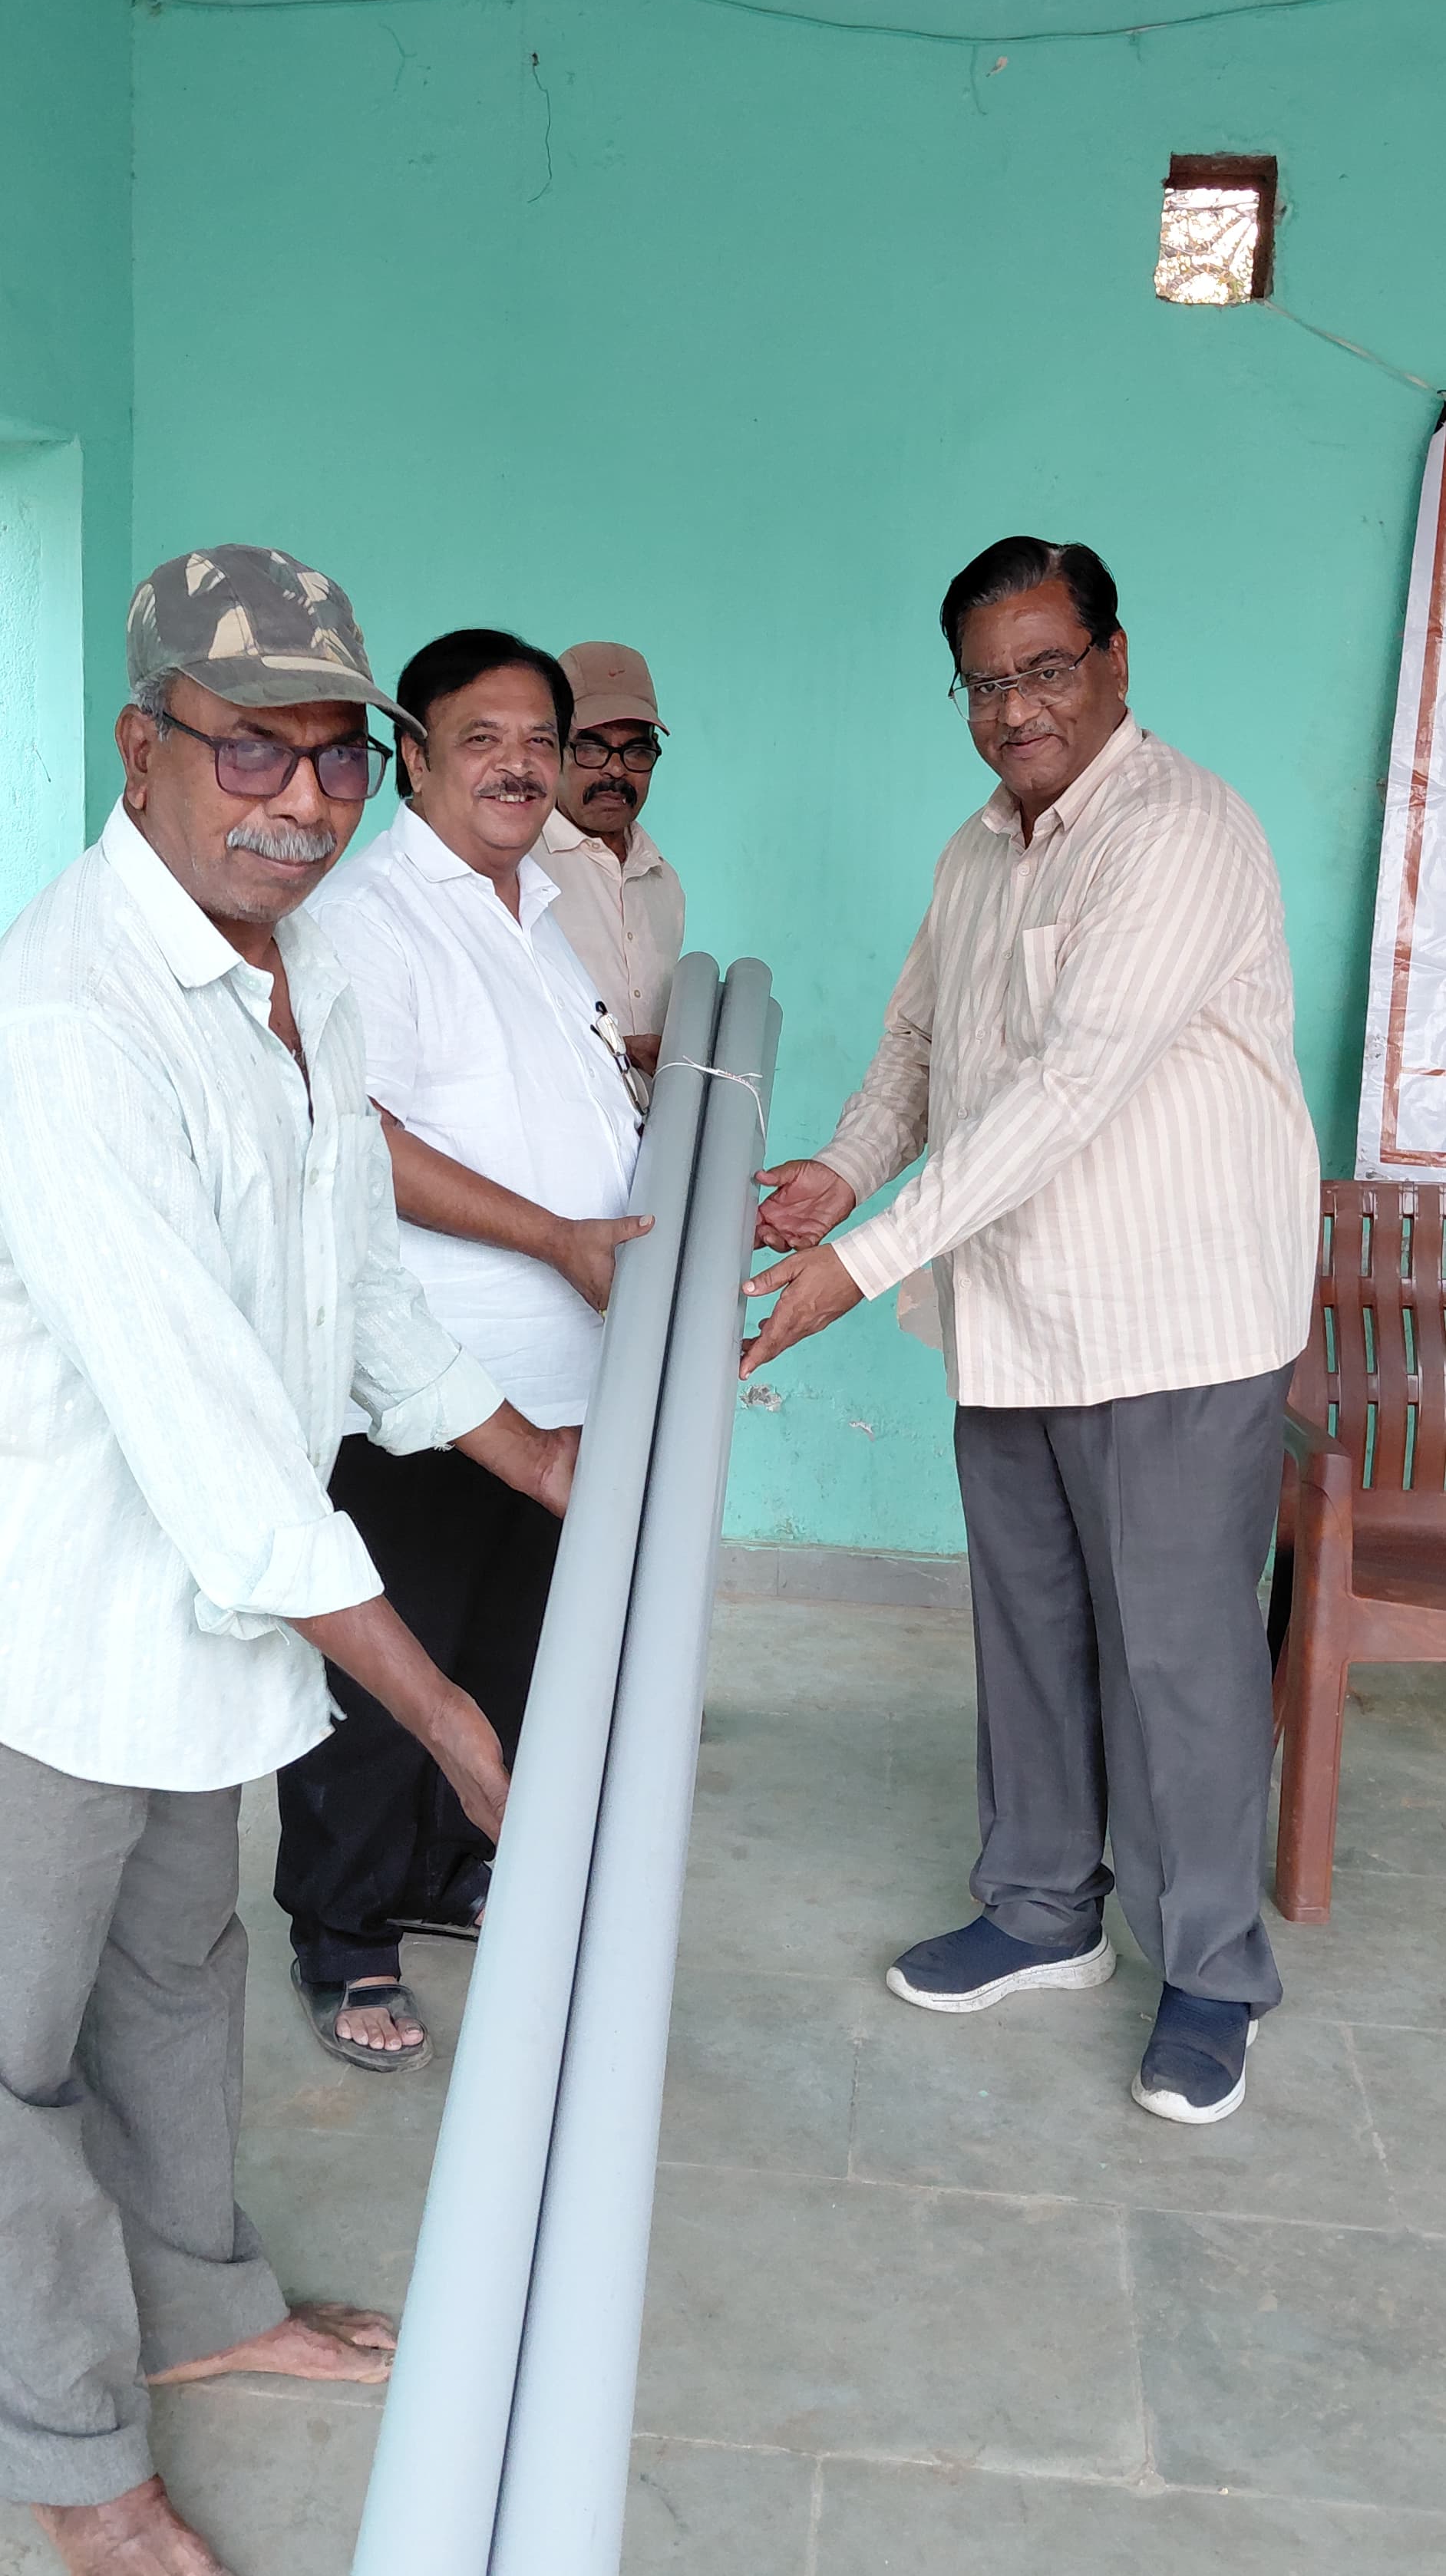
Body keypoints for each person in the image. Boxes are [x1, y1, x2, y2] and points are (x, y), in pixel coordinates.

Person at [0, 545, 577, 2576]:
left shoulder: (299, 964)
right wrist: (445, 1714)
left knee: (174, 1975)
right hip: (49, 1632)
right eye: (252, 749)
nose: (304, 800)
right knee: (10, 2066)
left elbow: (351, 1291)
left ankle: (200, 2307)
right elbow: (219, 1444)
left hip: (199, 1629)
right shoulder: (68, 1023)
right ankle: (72, 2451)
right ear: (141, 744)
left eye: (339, 757)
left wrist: (537, 1455)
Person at [744, 536, 1318, 2129]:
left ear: (1115, 660)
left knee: (1179, 1658)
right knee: (1032, 1629)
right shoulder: (977, 851)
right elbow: (921, 1042)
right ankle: (1043, 1909)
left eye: (1047, 669)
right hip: (1016, 1311)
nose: (1016, 709)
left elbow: (1070, 1087)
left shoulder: (1178, 832)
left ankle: (1210, 1972)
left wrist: (859, 1261)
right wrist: (842, 1170)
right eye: (986, 683)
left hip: (1175, 1315)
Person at [277, 627, 650, 2063]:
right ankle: (343, 1931)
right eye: (481, 739)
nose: (519, 766)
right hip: (422, 1381)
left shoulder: (537, 905)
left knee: (503, 1651)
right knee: (392, 1671)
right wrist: (554, 1237)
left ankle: (439, 1870)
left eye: (539, 741)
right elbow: (359, 1138)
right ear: (415, 760)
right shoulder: (374, 914)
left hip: (556, 1377)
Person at [540, 640, 685, 1077]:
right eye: (591, 748)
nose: (616, 770)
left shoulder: (662, 880)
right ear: (552, 748)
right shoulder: (516, 871)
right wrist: (617, 1051)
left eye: (636, 751)